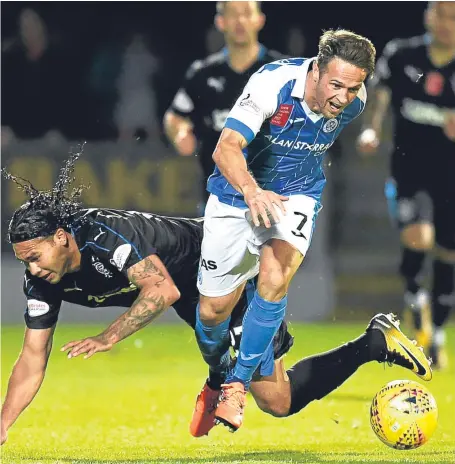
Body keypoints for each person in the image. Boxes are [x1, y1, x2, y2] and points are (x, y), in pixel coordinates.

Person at [0, 153, 432, 445]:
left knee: (275, 400)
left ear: (62, 239)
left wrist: (109, 336)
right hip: (193, 294)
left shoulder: (105, 237)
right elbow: (31, 358)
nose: (32, 269)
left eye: (35, 257)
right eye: (25, 262)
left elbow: (161, 290)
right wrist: (2, 425)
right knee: (252, 376)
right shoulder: (43, 280)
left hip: (222, 269)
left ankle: (373, 342)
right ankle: (220, 377)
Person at [192, 28, 378, 433]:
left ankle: (236, 387)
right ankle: (218, 375)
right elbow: (225, 148)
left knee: (275, 277)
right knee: (211, 314)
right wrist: (252, 190)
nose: (344, 98)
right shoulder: (271, 83)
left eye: (353, 88)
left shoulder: (355, 102)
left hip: (296, 196)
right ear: (315, 70)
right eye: (336, 85)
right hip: (235, 196)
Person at [357, 1, 455, 369]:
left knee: (448, 254)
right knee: (418, 237)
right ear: (429, 17)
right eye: (441, 13)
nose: (446, 23)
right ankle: (416, 302)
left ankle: (438, 338)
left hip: (451, 177)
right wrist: (371, 129)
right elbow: (379, 97)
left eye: (453, 16)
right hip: (409, 171)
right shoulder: (402, 55)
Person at [163, 1, 283, 210]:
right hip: (218, 199)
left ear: (260, 20)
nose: (240, 21)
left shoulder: (282, 72)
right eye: (233, 14)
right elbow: (175, 115)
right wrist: (179, 133)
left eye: (246, 13)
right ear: (220, 22)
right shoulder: (202, 74)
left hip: (274, 195)